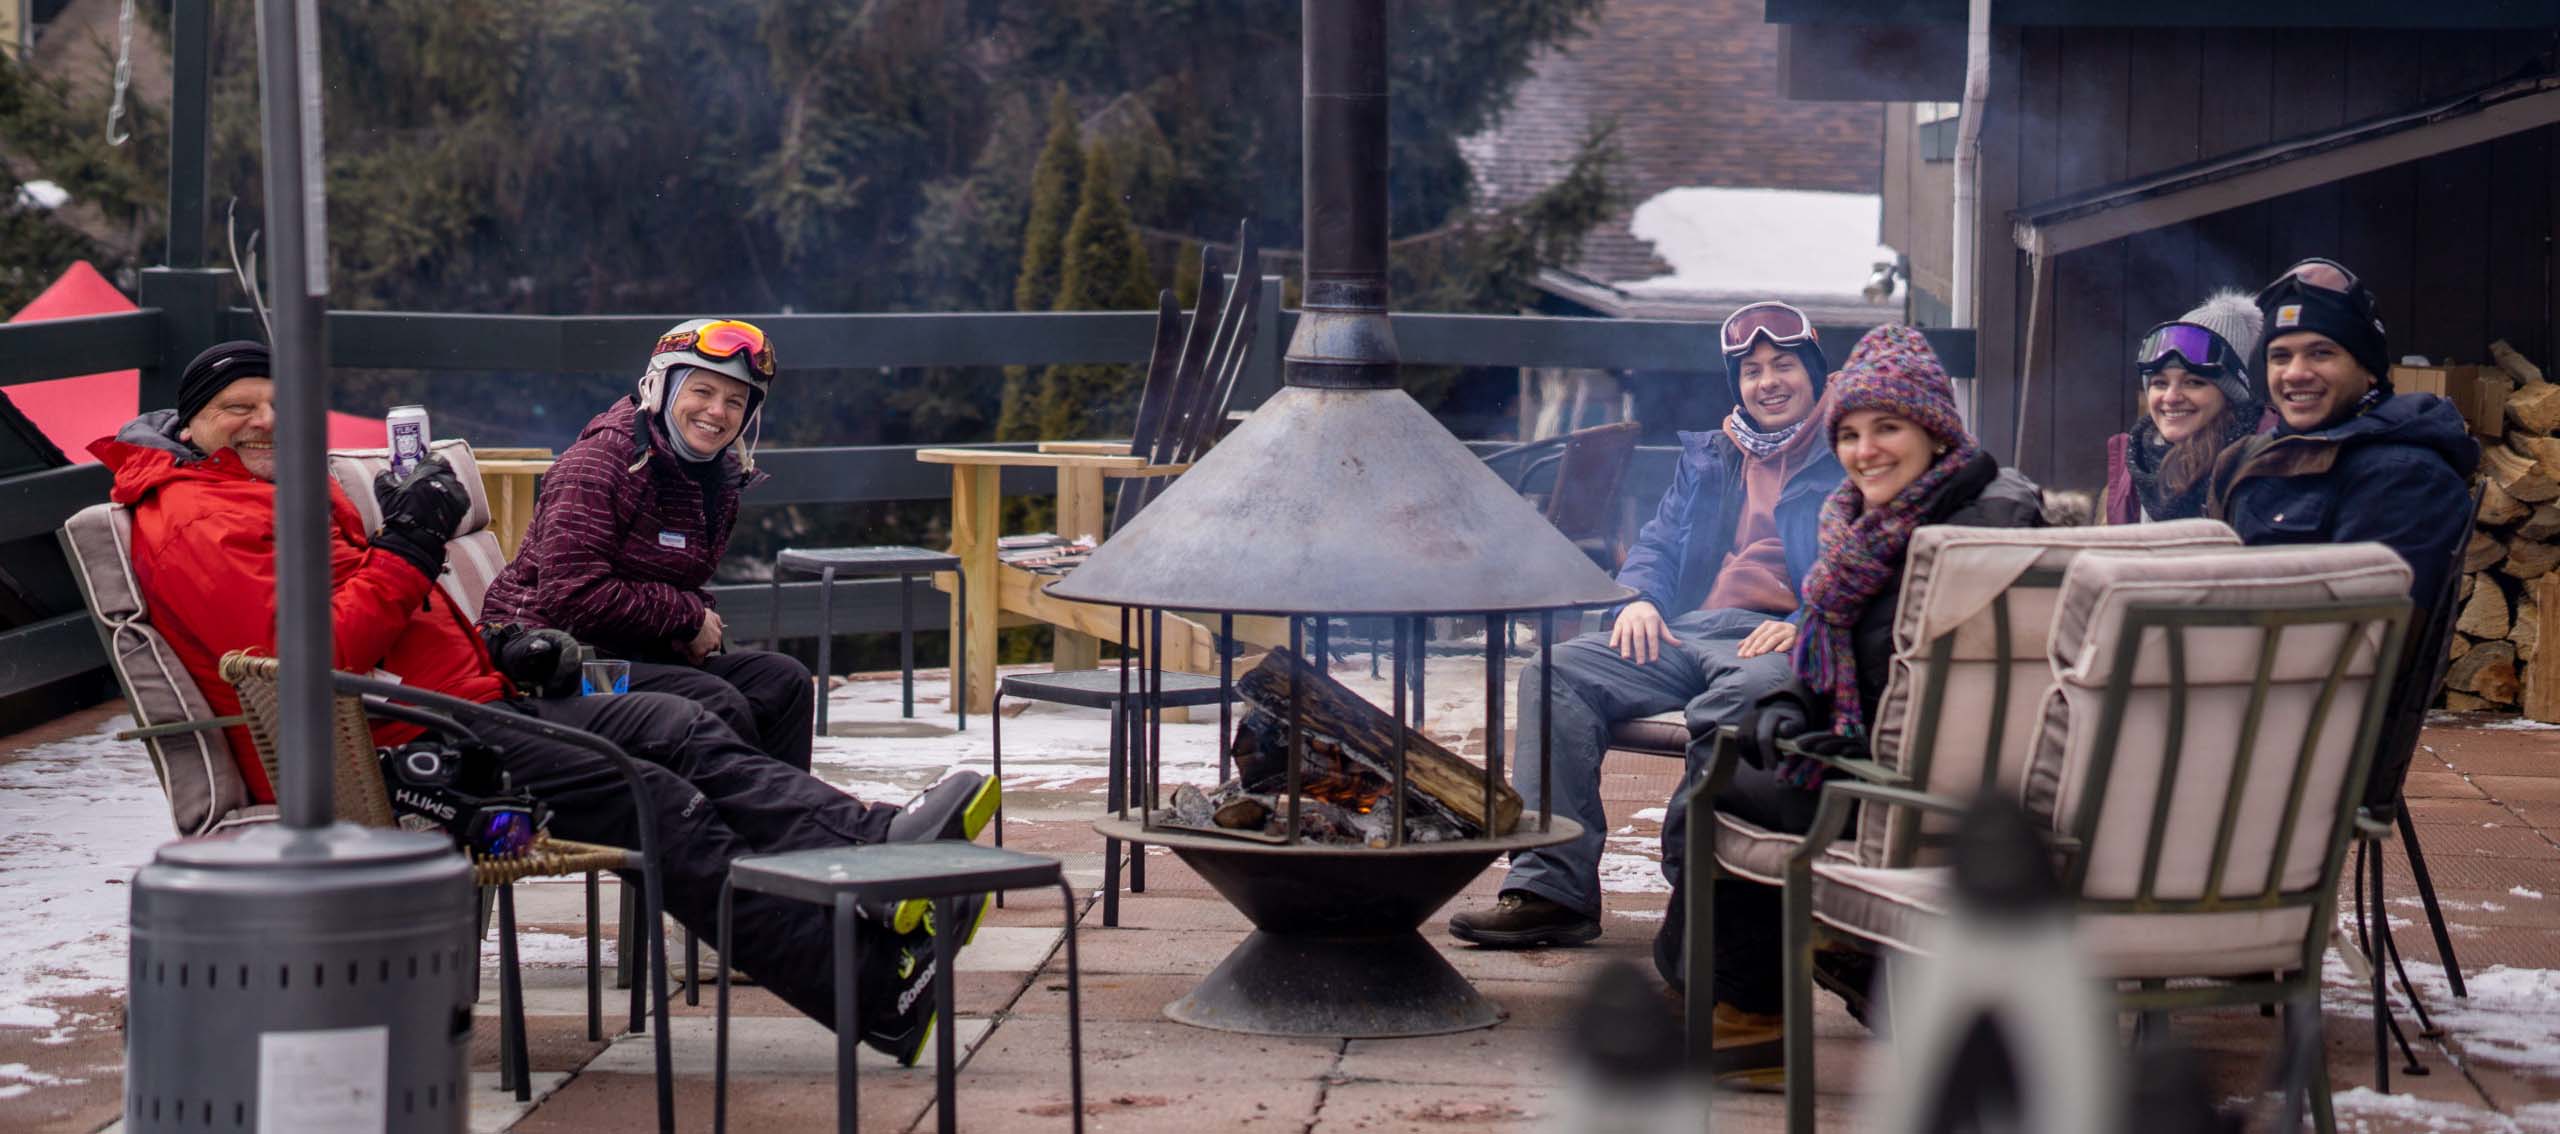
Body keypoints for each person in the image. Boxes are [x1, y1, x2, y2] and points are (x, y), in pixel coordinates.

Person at [90, 341, 999, 1064]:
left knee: (676, 722)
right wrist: (409, 543)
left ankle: (876, 849)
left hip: (460, 706)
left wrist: (495, 645)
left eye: (277, 405)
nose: (263, 423)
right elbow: (312, 657)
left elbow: (385, 617)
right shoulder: (198, 517)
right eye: (235, 409)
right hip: (394, 753)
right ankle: (873, 987)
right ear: (191, 423)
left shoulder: (272, 493)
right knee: (659, 800)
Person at [1688, 324, 2045, 1082]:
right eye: (1849, 433)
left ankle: (1751, 1014)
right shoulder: (1878, 526)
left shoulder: (1961, 537)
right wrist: (1793, 696)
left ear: (1935, 429)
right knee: (1745, 744)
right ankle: (1844, 968)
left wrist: (1809, 724)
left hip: (1930, 793)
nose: (1864, 450)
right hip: (1925, 772)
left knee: (1722, 780)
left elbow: (1911, 675)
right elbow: (1849, 645)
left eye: (1888, 427)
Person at [1448, 301, 1844, 949]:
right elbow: (1658, 542)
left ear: (1816, 373)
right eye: (1751, 370)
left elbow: (1864, 558)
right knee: (1557, 674)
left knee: (1742, 699)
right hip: (1690, 629)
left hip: (1775, 638)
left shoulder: (1849, 450)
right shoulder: (1716, 454)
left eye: (1785, 365)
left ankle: (1695, 886)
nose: (1768, 381)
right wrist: (1638, 598)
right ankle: (1550, 890)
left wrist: (1811, 621)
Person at [480, 319, 818, 771]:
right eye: (701, 392)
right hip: (558, 664)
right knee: (715, 702)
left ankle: (790, 822)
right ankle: (721, 832)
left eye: (735, 402)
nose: (717, 412)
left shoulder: (712, 477)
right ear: (661, 387)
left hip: (633, 652)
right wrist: (688, 616)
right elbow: (571, 596)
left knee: (784, 681)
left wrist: (691, 619)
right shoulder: (600, 463)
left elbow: (665, 574)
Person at [2209, 259, 2477, 611]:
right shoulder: (2243, 458)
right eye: (2280, 357)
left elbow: (2358, 637)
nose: (2295, 373)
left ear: (2368, 369)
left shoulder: (2405, 474)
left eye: (2321, 353)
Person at [2103, 291, 2266, 523]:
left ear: (2230, 395)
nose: (2171, 397)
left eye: (2193, 382)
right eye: (2160, 383)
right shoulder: (2132, 467)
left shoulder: (2264, 463)